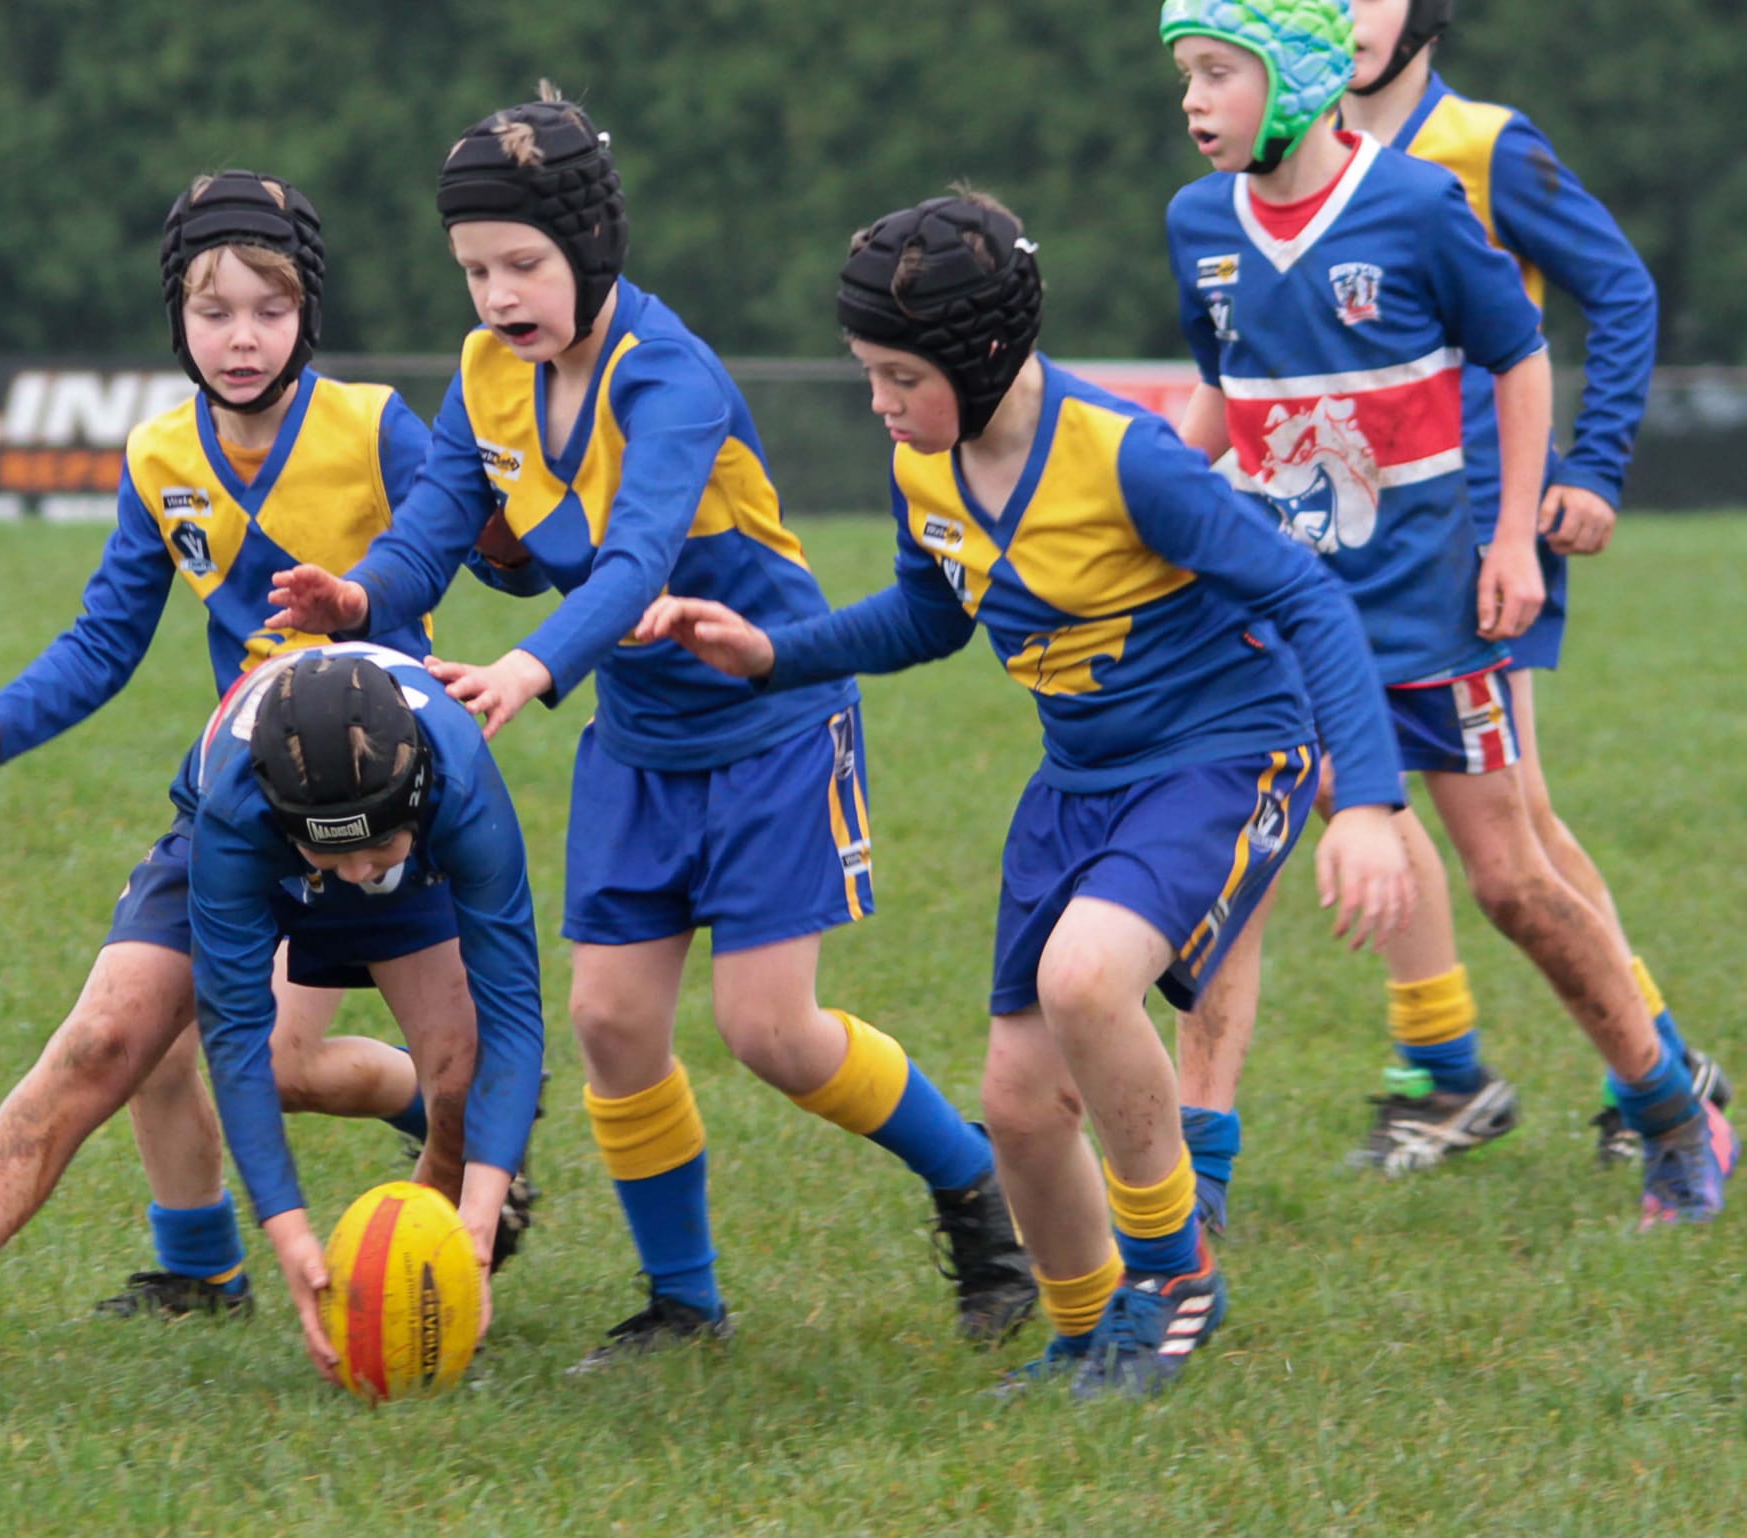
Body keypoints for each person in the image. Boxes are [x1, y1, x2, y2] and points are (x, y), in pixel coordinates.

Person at [267, 87, 1037, 1367]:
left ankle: (977, 1200)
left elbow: (633, 567)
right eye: (473, 270)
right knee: (612, 1022)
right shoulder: (485, 375)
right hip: (639, 739)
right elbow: (434, 526)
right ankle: (684, 1302)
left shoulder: (669, 377)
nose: (498, 294)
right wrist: (361, 592)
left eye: (523, 263)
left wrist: (527, 664)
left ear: (591, 248)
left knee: (770, 1032)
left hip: (772, 722)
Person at [636, 192, 1412, 1400]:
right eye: (868, 374)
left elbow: (1304, 598)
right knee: (1015, 1101)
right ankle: (1080, 1332)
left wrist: (1364, 800)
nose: (880, 403)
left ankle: (1171, 1274)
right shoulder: (924, 466)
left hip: (1219, 751)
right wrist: (774, 652)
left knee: (1084, 978)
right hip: (1077, 779)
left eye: (899, 375)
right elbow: (929, 612)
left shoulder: (1132, 460)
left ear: (982, 354)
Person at [0, 173, 486, 1396]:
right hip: (240, 802)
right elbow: (106, 637)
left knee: (452, 1077)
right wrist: (0, 723)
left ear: (307, 316)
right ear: (177, 318)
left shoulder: (380, 423)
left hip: (390, 803)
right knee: (113, 1035)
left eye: (268, 310)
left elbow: (455, 535)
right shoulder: (159, 454)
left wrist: (373, 598)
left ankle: (445, 1242)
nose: (241, 337)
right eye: (214, 309)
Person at [1158, 0, 1734, 1229]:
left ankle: (1672, 1112)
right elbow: (1221, 389)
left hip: (1429, 608)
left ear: (1297, 75)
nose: (1193, 102)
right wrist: (1135, 489)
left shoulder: (1426, 196)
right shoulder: (1193, 224)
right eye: (1183, 78)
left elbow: (1522, 354)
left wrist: (1519, 529)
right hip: (1276, 621)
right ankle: (1183, 1212)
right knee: (1229, 889)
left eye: (1217, 73)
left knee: (1512, 879)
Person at [0, 647, 545, 1388]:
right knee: (102, 1042)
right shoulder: (241, 807)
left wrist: (479, 1226)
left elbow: (517, 1012)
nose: (360, 872)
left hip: (409, 873)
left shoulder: (456, 781)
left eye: (376, 846)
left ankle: (418, 1296)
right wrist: (289, 1232)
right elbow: (235, 1042)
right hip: (255, 851)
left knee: (465, 1083)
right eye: (336, 854)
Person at [1329, 0, 1726, 1167]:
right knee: (1373, 786)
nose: (1345, 11)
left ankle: (1613, 1069)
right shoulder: (1291, 159)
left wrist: (1592, 469)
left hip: (1473, 536)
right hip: (1353, 537)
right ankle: (1467, 1065)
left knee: (1505, 828)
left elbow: (1621, 290)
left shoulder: (1487, 143)